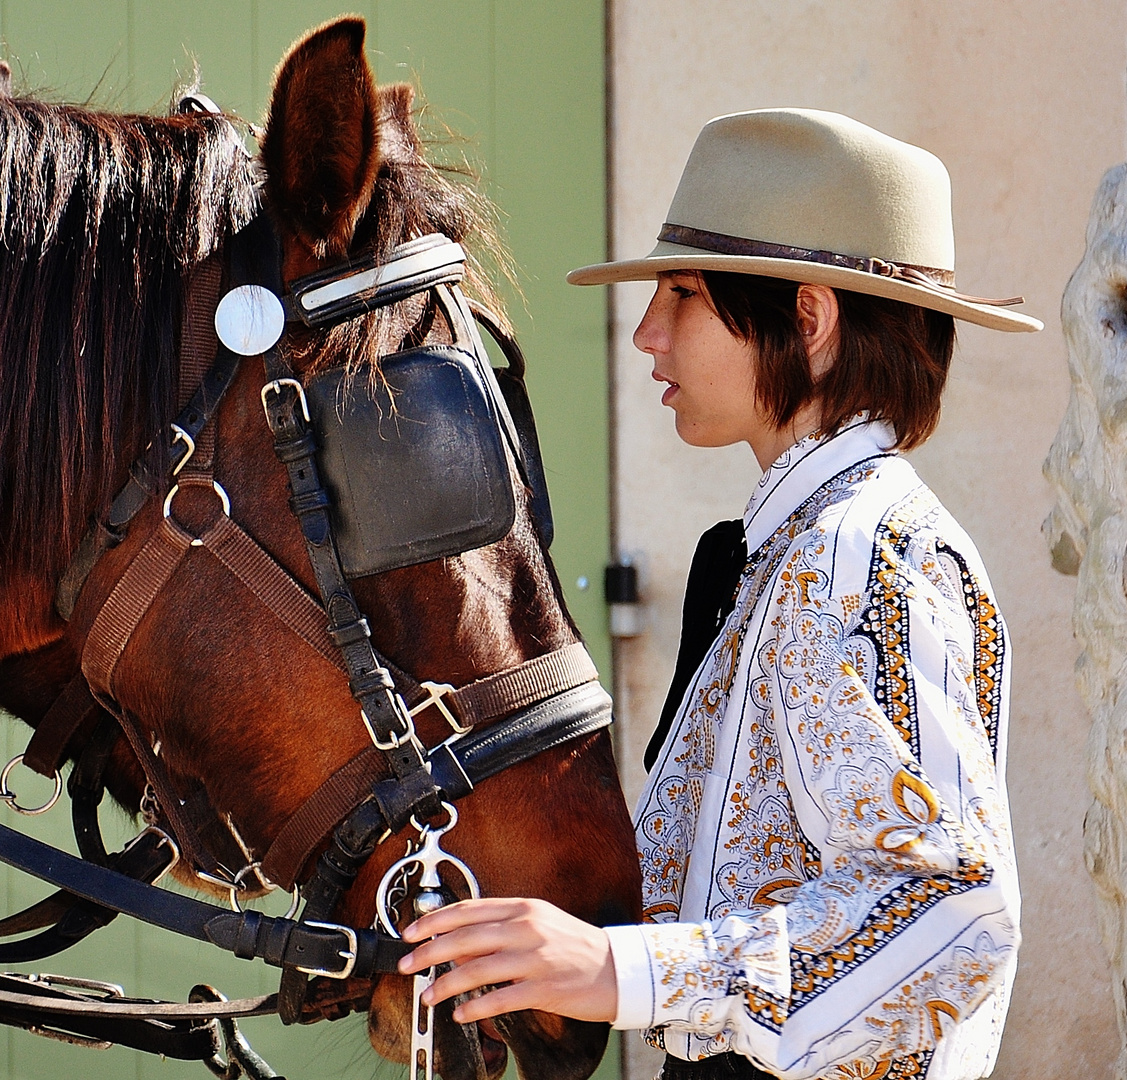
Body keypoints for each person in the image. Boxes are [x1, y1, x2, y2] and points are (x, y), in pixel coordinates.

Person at [399, 108, 1041, 1080]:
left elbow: (951, 919)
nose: (648, 332)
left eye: (683, 292)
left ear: (808, 319)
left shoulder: (859, 557)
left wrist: (619, 971)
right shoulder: (793, 550)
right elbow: (732, 883)